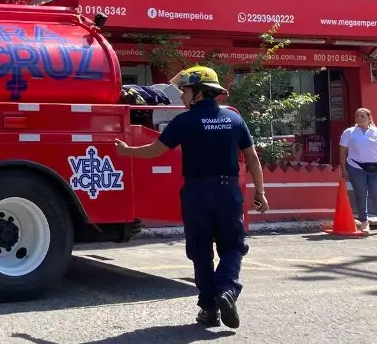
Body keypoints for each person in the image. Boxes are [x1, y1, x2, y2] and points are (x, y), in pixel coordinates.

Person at [114, 65, 269, 330]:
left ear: (198, 92)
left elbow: (155, 150)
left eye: (185, 91)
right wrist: (260, 192)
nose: (182, 96)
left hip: (197, 193)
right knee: (233, 245)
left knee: (200, 251)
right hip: (227, 192)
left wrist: (127, 151)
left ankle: (209, 309)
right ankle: (228, 291)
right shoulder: (233, 119)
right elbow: (252, 157)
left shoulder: (184, 121)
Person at [339, 108, 377, 236]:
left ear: (369, 118)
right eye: (357, 116)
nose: (359, 118)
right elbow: (342, 151)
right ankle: (364, 222)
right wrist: (344, 168)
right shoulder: (349, 132)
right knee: (361, 196)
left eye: (362, 116)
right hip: (356, 168)